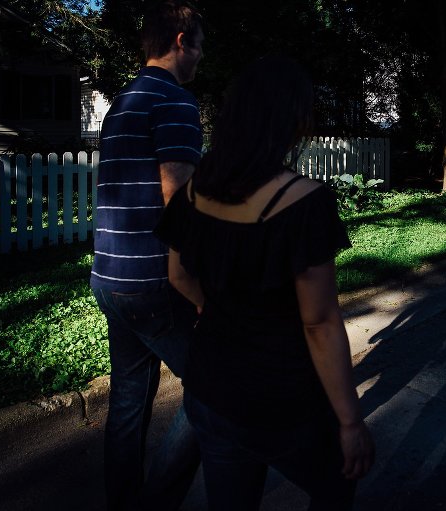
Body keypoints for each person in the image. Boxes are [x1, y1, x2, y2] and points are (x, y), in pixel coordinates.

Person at [153, 54, 375, 511]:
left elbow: (177, 274)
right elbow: (319, 324)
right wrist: (350, 422)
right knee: (337, 485)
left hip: (209, 391)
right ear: (291, 120)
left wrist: (209, 309)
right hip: (281, 403)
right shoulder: (304, 202)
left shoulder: (195, 190)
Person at [89, 1, 205, 509]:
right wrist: (204, 288)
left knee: (129, 402)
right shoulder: (175, 101)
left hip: (109, 277)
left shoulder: (123, 101)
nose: (202, 56)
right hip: (155, 285)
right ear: (182, 40)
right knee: (214, 389)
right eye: (200, 44)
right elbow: (178, 204)